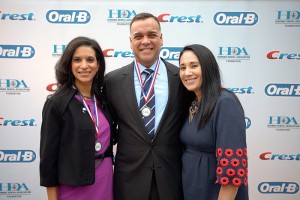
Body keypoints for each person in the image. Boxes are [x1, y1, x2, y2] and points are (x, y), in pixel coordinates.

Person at [105, 13, 189, 200]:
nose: (145, 41)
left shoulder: (182, 79)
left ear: (161, 38)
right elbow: (106, 129)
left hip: (171, 178)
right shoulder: (112, 81)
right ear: (130, 41)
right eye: (138, 36)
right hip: (129, 180)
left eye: (151, 35)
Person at [39, 36, 115, 200]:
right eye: (77, 60)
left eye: (90, 59)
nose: (84, 66)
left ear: (98, 64)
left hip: (105, 179)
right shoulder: (57, 103)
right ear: (69, 64)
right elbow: (48, 159)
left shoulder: (103, 100)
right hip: (74, 185)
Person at [179, 44, 249, 200]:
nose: (187, 72)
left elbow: (233, 170)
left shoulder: (225, 103)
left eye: (194, 66)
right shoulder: (194, 102)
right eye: (182, 67)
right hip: (193, 190)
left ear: (208, 68)